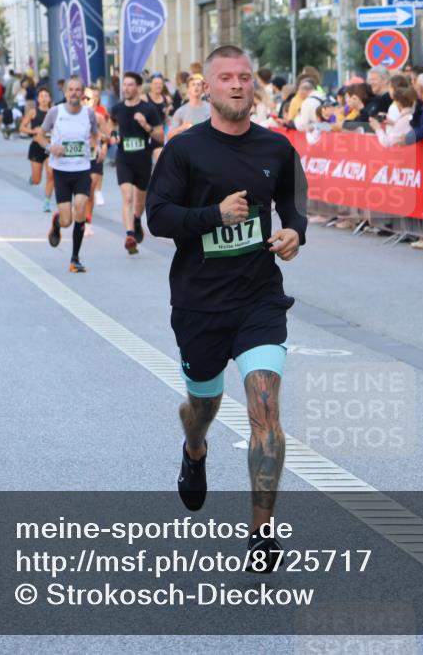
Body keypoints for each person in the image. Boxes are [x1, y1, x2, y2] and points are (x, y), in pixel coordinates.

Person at [147, 45, 307, 568]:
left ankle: (262, 534)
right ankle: (195, 450)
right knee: (204, 407)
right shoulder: (184, 149)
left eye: (244, 77)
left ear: (252, 86)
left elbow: (293, 200)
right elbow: (159, 218)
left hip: (259, 297)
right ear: (207, 88)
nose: (237, 85)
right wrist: (213, 214)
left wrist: (292, 233)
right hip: (199, 304)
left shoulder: (276, 148)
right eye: (226, 78)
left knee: (266, 409)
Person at [38, 76, 99, 273]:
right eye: (70, 90)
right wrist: (50, 147)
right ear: (65, 93)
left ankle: (75, 259)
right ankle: (57, 223)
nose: (74, 93)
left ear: (83, 93)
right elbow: (39, 135)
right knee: (67, 220)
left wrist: (97, 146)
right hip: (62, 171)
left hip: (82, 169)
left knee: (80, 207)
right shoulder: (56, 112)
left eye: (77, 90)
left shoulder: (89, 114)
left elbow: (96, 135)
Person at [110, 71, 162, 254]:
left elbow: (160, 135)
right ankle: (130, 234)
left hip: (142, 160)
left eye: (130, 85)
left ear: (138, 87)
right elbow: (111, 127)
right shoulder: (117, 109)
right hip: (124, 158)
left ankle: (137, 220)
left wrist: (146, 126)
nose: (126, 88)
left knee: (140, 201)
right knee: (127, 197)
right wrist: (113, 136)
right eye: (124, 85)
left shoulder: (148, 109)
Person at [20, 85, 55, 212]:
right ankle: (32, 178)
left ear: (50, 98)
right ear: (38, 99)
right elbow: (22, 127)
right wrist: (32, 131)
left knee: (51, 174)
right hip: (36, 146)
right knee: (37, 180)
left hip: (50, 147)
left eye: (46, 96)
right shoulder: (33, 112)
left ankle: (46, 202)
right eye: (41, 96)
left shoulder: (54, 112)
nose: (44, 99)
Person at [83, 85, 110, 232]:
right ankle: (80, 217)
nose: (87, 101)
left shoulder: (99, 117)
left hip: (94, 155)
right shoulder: (74, 116)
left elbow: (107, 136)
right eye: (85, 98)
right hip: (79, 157)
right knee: (81, 192)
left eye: (90, 99)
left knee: (90, 189)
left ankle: (87, 223)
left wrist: (103, 144)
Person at [168, 73, 210, 140]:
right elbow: (169, 136)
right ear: (188, 89)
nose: (196, 87)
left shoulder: (211, 109)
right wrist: (182, 128)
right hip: (188, 148)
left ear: (202, 89)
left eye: (198, 84)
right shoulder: (181, 111)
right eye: (193, 84)